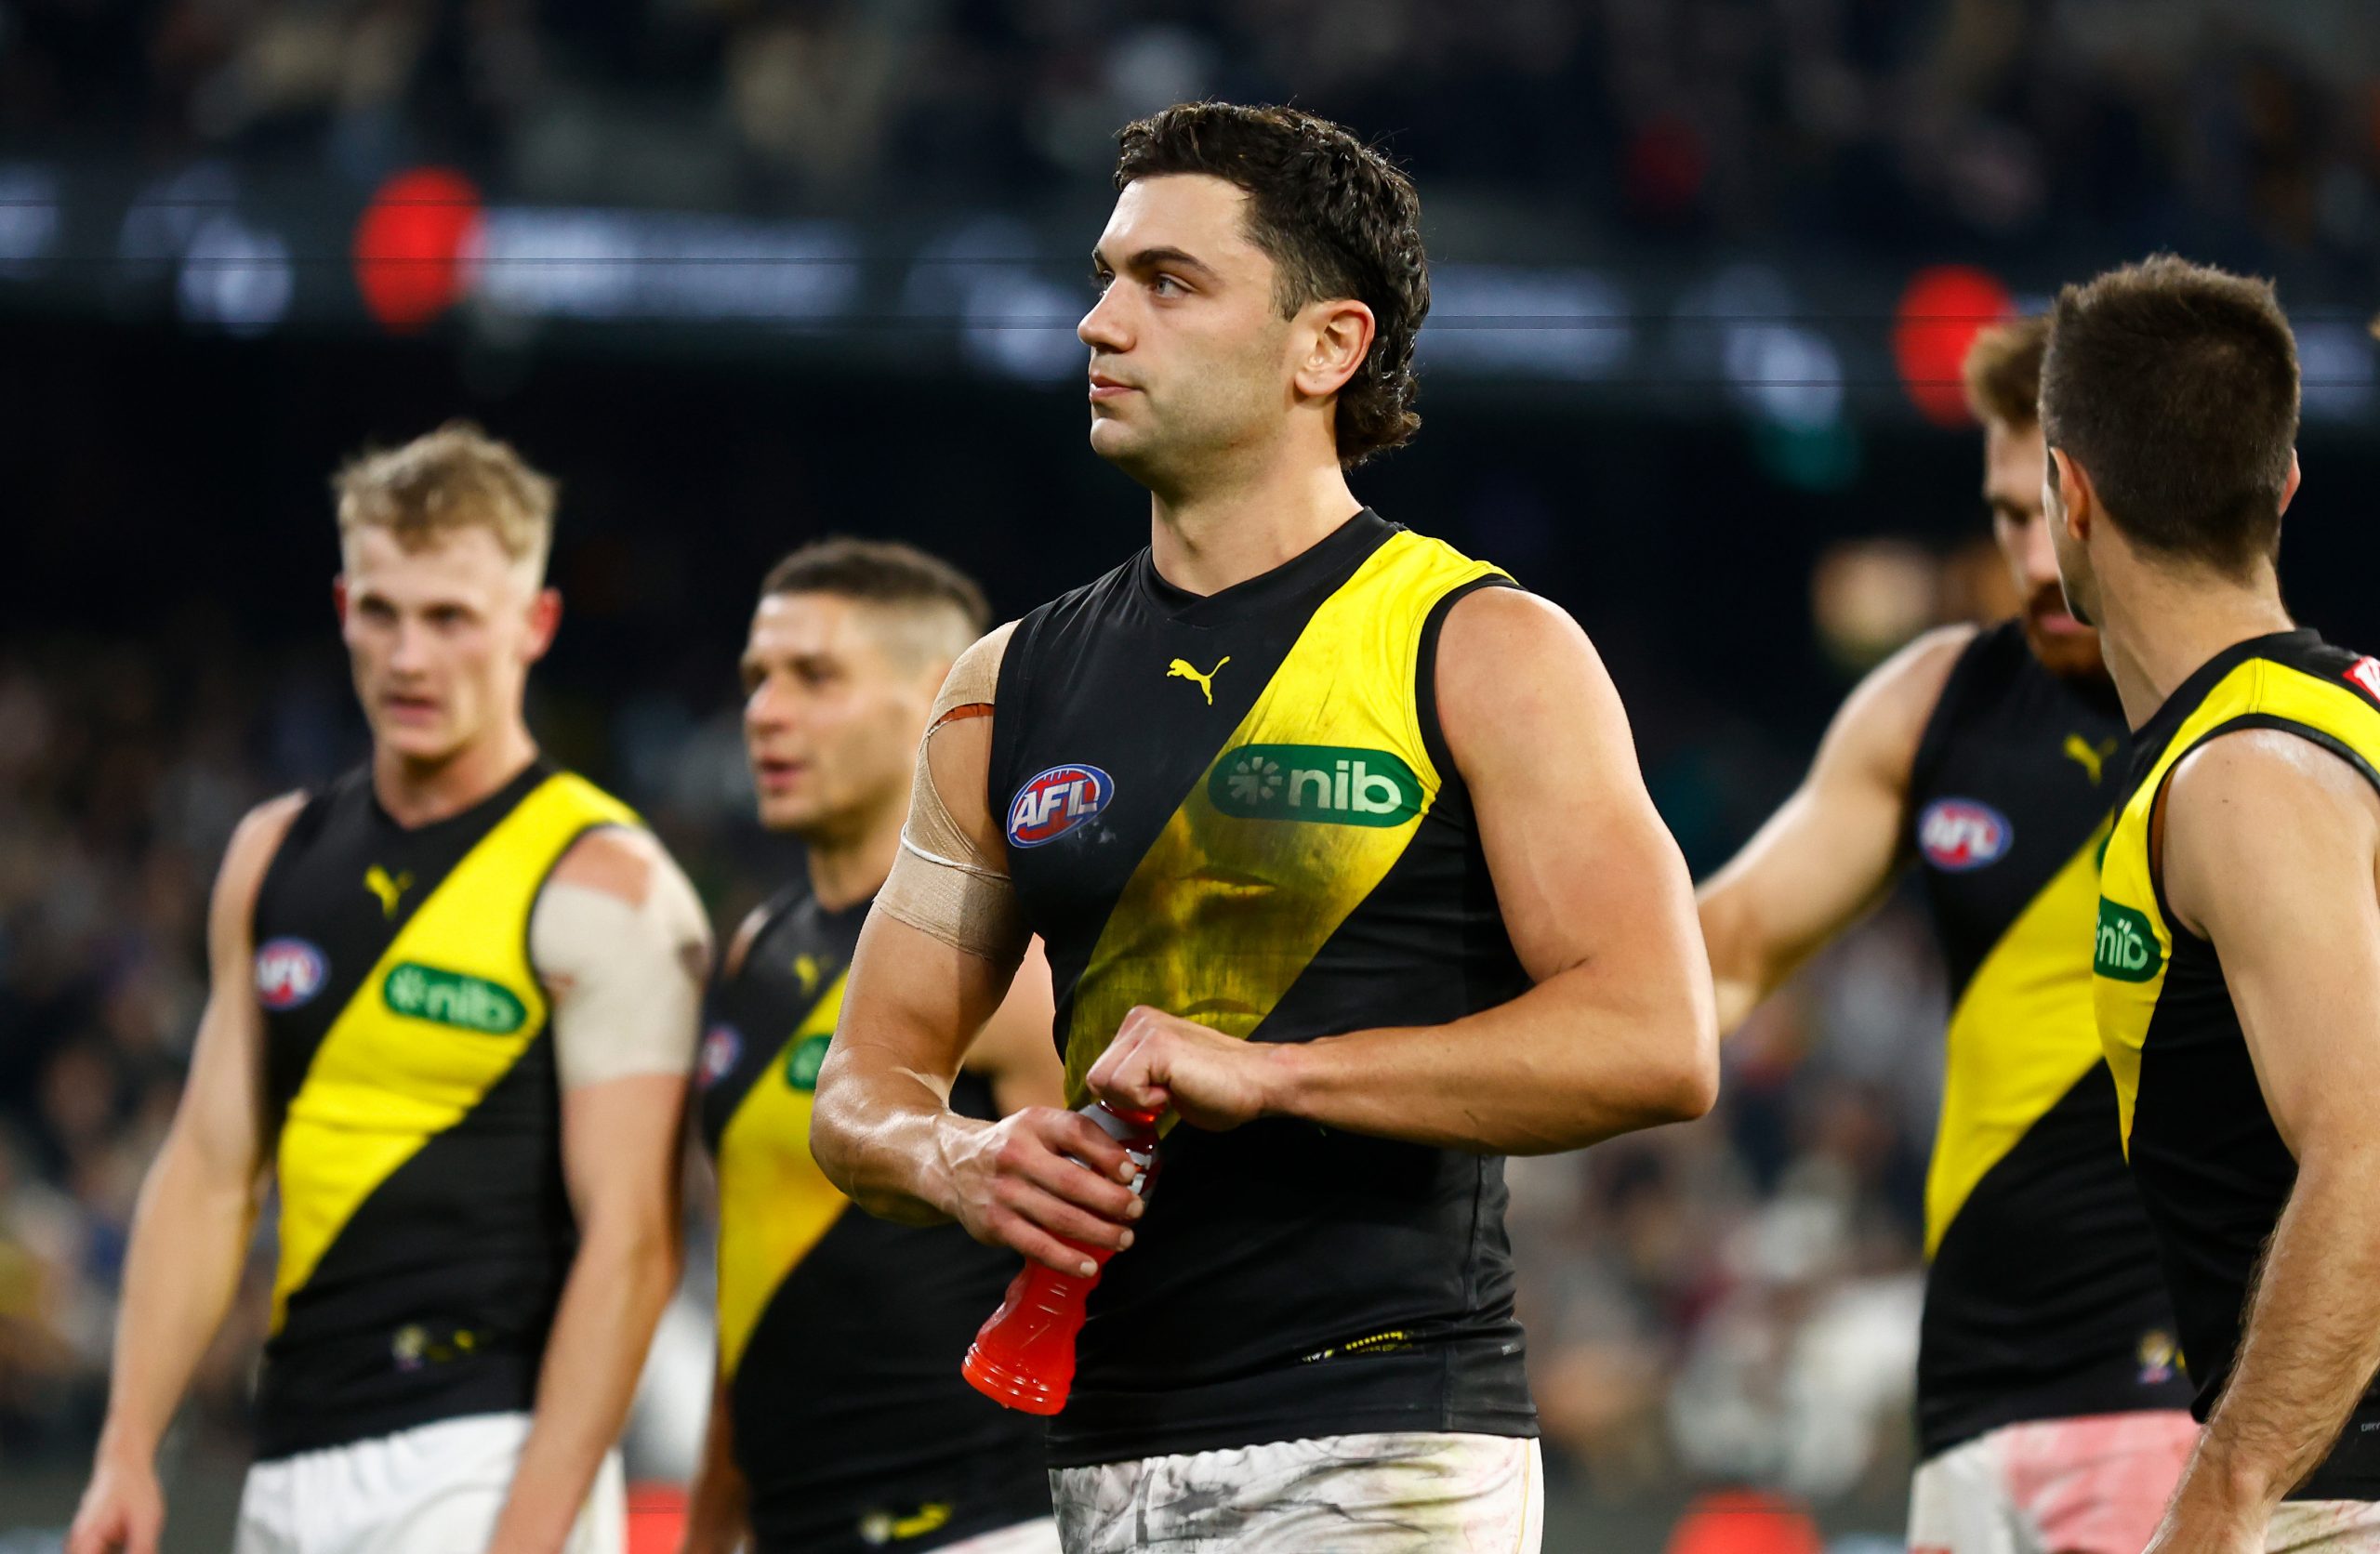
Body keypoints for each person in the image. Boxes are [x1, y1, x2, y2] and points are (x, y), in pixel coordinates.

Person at [808, 101, 1717, 1552]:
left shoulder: (1480, 648)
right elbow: (863, 1085)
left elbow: (1656, 1041)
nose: (1101, 322)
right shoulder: (1001, 688)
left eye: (1168, 283)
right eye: (1105, 276)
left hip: (1385, 1430)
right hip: (1102, 1447)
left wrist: (1275, 1078)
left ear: (1326, 348)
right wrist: (958, 1160)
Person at [68, 424, 707, 1554]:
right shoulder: (271, 855)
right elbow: (211, 1170)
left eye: (450, 616)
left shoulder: (608, 882)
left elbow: (634, 1241)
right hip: (290, 1455)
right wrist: (126, 1448)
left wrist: (531, 1530)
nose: (409, 656)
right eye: (382, 609)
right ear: (342, 605)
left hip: (489, 1455)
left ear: (533, 625)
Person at [1697, 317, 2196, 1553]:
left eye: (2054, 516)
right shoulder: (1938, 705)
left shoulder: (2300, 728)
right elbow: (1721, 952)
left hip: (2192, 1418)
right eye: (2005, 517)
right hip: (1973, 1409)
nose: (2031, 561)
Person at [2048, 257, 2380, 1553]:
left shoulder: (2242, 778)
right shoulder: (2342, 718)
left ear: (2069, 493)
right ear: (2285, 483)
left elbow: (2366, 1149)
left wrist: (2229, 1495)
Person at [680, 539, 1065, 1554]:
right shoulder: (755, 952)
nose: (765, 711)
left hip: (985, 1524)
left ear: (940, 698)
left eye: (814, 677)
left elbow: (1125, 1261)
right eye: (758, 679)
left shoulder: (1013, 960)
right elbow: (748, 1281)